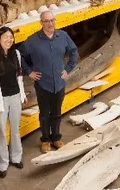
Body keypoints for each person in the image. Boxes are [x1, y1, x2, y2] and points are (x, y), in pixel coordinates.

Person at [21, 10, 78, 153]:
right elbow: (19, 55)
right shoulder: (33, 40)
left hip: (59, 83)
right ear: (41, 23)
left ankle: (56, 138)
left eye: (52, 20)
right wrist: (29, 72)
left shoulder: (63, 36)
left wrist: (68, 68)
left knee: (57, 113)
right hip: (43, 84)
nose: (50, 23)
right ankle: (45, 140)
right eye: (46, 21)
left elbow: (73, 51)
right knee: (45, 114)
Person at [0, 26, 26, 178]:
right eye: (6, 37)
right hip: (0, 100)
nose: (9, 40)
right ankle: (2, 164)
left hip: (15, 96)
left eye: (11, 37)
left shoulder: (16, 54)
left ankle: (16, 157)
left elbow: (19, 76)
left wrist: (22, 95)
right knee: (0, 131)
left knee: (15, 129)